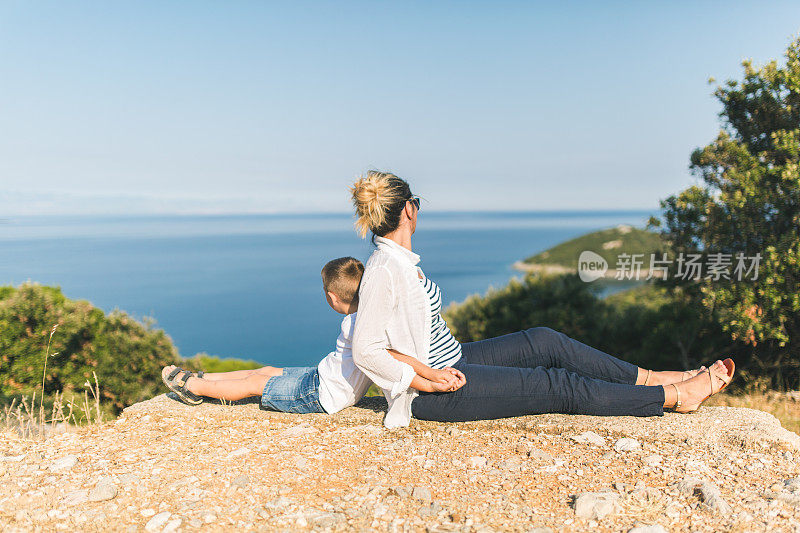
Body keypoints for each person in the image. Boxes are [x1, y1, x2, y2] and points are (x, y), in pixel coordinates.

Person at [349, 170, 735, 428]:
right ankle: (673, 396)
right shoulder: (385, 268)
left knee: (545, 340)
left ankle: (652, 377)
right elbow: (366, 349)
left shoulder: (400, 262)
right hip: (433, 391)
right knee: (555, 385)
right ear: (409, 210)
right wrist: (427, 380)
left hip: (454, 358)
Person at [161, 257, 464, 414]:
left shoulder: (355, 324)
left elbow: (392, 358)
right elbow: (397, 354)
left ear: (333, 298)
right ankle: (209, 378)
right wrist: (432, 374)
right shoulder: (372, 318)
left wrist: (430, 380)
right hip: (321, 379)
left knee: (256, 383)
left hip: (321, 395)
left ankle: (195, 387)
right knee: (266, 371)